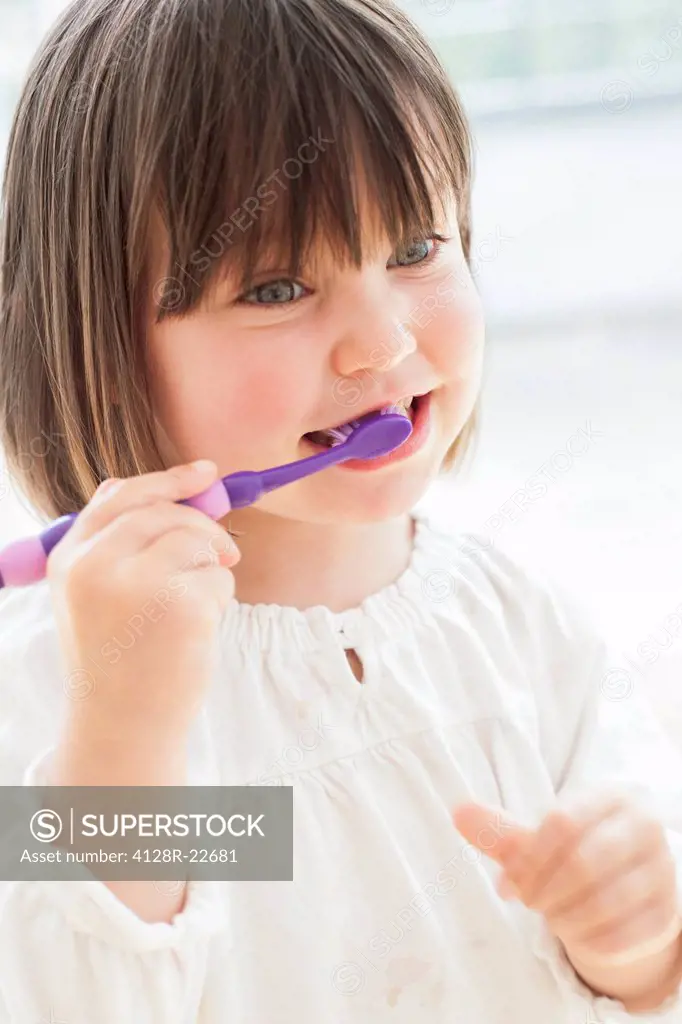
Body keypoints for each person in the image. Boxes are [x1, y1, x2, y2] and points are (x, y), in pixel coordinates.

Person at [0, 1, 681, 1021]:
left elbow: (627, 973)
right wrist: (125, 731)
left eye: (415, 247)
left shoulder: (525, 627)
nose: (381, 343)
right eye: (275, 287)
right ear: (97, 337)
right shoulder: (56, 681)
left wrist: (635, 939)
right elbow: (77, 996)